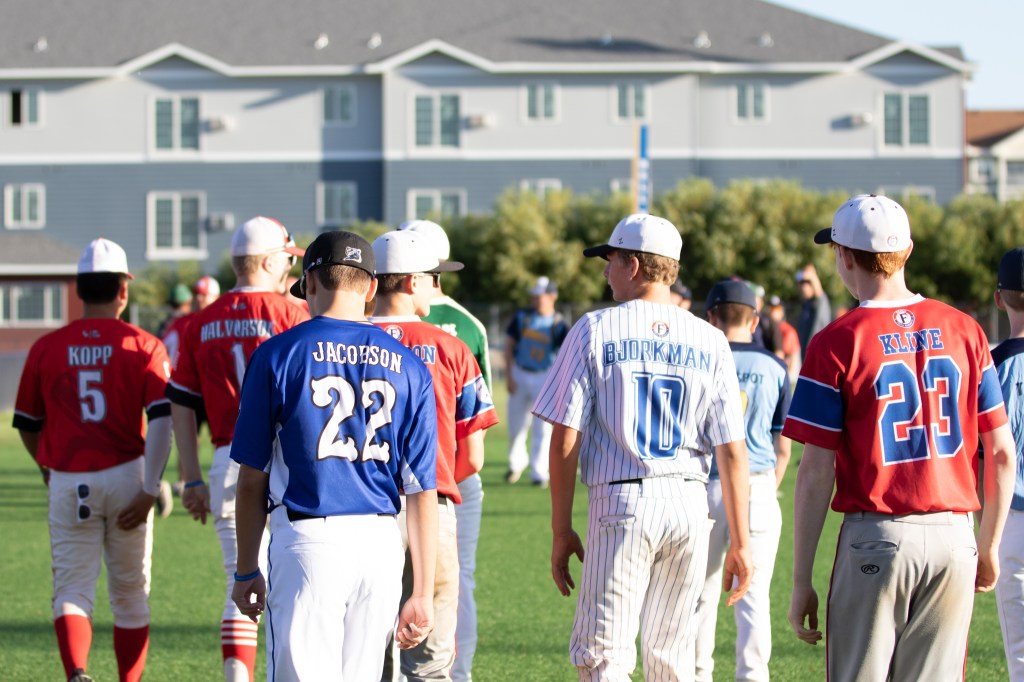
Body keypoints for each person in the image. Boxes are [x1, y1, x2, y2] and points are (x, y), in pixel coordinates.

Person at [783, 194, 1016, 681]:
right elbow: (999, 452)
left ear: (844, 257)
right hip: (954, 534)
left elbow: (814, 471)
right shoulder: (966, 330)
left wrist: (801, 578)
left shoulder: (836, 340)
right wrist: (989, 544)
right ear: (907, 251)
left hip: (879, 535)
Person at [533, 213, 753, 680]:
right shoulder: (711, 340)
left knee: (603, 655)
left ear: (633, 264)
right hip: (691, 504)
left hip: (623, 499)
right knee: (671, 659)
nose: (605, 269)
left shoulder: (594, 328)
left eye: (611, 260)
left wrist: (560, 528)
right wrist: (742, 539)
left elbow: (565, 437)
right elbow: (733, 451)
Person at [228, 231, 439, 680]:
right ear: (371, 287)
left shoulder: (276, 355)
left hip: (309, 540)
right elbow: (422, 490)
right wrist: (421, 589)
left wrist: (246, 567)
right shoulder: (410, 364)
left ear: (309, 283)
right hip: (381, 545)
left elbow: (251, 480)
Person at [13, 238, 173, 682]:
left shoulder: (47, 347)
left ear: (79, 289)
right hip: (128, 474)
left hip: (68, 477)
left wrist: (47, 468)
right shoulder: (144, 345)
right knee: (130, 593)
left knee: (71, 589)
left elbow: (27, 422)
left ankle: (78, 671)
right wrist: (149, 487)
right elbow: (161, 420)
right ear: (124, 289)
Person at [166, 216, 308, 682]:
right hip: (292, 461)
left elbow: (182, 406)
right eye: (287, 260)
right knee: (295, 582)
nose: (290, 269)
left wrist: (189, 476)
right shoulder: (295, 314)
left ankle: (237, 676)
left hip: (230, 458)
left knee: (241, 579)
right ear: (269, 261)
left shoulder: (198, 322)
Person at [370, 229, 498, 682]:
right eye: (431, 277)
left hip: (361, 511)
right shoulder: (453, 347)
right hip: (432, 507)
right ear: (410, 282)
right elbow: (475, 458)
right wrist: (440, 479)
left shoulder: (343, 343)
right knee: (429, 664)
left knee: (366, 657)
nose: (436, 286)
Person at [693, 280, 792, 682]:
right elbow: (782, 442)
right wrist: (768, 483)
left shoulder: (699, 358)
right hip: (758, 485)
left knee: (699, 596)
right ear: (754, 320)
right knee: (754, 597)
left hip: (705, 485)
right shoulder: (776, 366)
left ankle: (695, 674)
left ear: (711, 318)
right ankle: (752, 677)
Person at [992, 246, 1024, 679]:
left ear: (999, 299)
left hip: (1012, 518)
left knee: (1021, 653)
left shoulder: (992, 365)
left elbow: (992, 452)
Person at [504, 275, 569, 487]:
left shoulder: (559, 323)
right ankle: (516, 464)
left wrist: (559, 382)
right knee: (516, 424)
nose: (536, 299)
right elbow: (509, 345)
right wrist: (509, 374)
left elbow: (565, 354)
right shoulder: (522, 317)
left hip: (544, 375)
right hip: (520, 372)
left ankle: (539, 472)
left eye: (540, 295)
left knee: (543, 427)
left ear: (552, 296)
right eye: (535, 296)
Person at [795, 264, 830, 359]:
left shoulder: (819, 303)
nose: (804, 287)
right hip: (806, 358)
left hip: (818, 357)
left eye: (807, 283)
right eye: (802, 283)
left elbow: (820, 294)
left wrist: (811, 276)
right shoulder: (805, 305)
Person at [766, 296, 801, 383]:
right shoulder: (762, 328)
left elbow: (793, 356)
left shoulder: (788, 331)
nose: (773, 312)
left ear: (782, 311)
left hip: (780, 373)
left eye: (777, 309)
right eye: (771, 309)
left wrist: (786, 376)